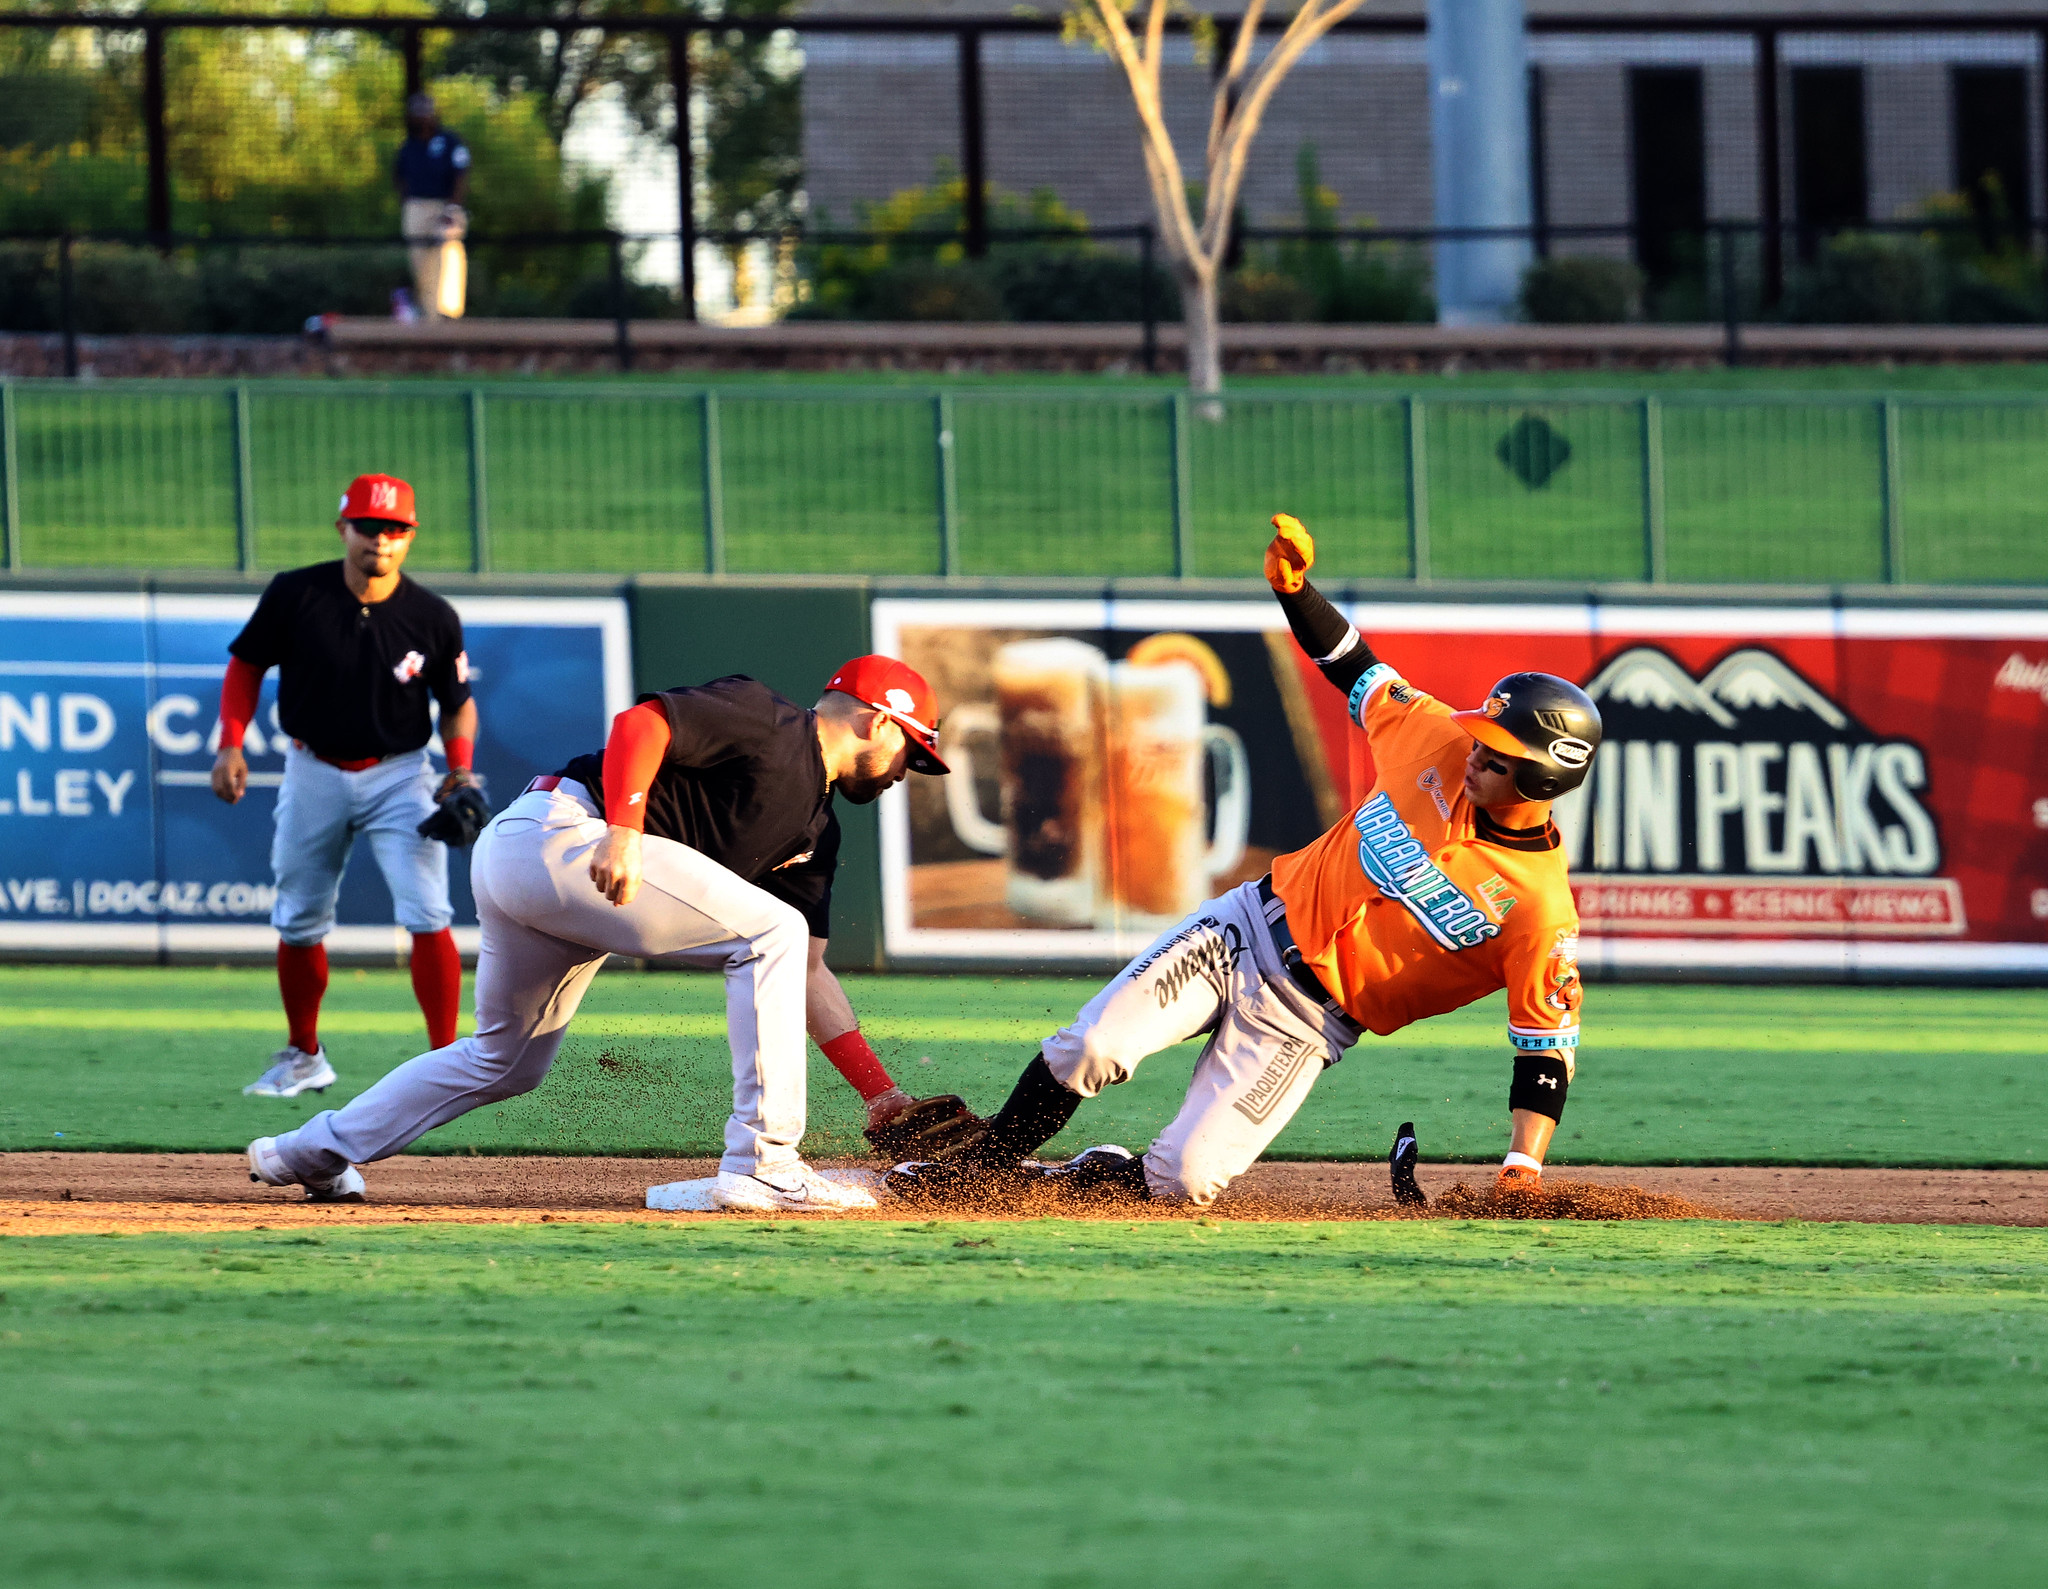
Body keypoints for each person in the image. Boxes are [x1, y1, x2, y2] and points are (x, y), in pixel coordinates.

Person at [888, 514, 1601, 1209]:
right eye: (1480, 733)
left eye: (1497, 751)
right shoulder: (1435, 739)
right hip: (1244, 931)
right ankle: (973, 1174)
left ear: (1542, 777)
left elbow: (1545, 1049)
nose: (1474, 749)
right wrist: (1296, 592)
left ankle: (1078, 1178)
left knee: (1185, 1181)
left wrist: (1521, 1165)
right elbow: (1355, 667)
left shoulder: (1538, 909)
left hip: (1310, 1020)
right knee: (1091, 1047)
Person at [246, 657, 957, 1211]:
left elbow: (800, 969)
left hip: (549, 872)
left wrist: (879, 1091)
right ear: (879, 722)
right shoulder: (768, 717)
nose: (908, 773)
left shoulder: (815, 833)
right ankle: (767, 1163)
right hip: (563, 835)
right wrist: (622, 828)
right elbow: (639, 724)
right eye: (913, 753)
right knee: (770, 926)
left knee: (504, 1061)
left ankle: (305, 1150)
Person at [213, 473, 480, 1103]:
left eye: (395, 530)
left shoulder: (433, 616)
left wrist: (461, 766)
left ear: (409, 537)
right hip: (313, 768)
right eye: (369, 528)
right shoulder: (296, 593)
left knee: (428, 912)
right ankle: (305, 1055)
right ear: (344, 530)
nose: (381, 542)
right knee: (300, 916)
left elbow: (458, 703)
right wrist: (230, 740)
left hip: (400, 770)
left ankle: (444, 1066)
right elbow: (246, 665)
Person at [393, 92, 470, 321]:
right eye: (417, 112)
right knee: (421, 264)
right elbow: (398, 177)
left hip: (445, 206)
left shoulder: (450, 141)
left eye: (425, 111)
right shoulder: (408, 146)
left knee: (448, 254)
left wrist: (452, 208)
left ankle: (449, 312)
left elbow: (461, 174)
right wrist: (407, 202)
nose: (422, 116)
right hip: (416, 206)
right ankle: (429, 316)